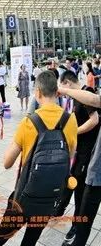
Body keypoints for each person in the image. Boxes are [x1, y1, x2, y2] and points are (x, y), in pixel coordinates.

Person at [0, 71, 78, 245]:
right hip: (50, 197)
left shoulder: (29, 122)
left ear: (37, 93)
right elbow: (70, 156)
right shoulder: (70, 121)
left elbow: (7, 163)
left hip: (24, 196)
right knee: (30, 241)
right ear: (57, 92)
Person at [56, 70, 99, 244]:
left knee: (81, 193)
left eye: (62, 86)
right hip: (79, 152)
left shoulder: (86, 93)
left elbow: (94, 120)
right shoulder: (77, 97)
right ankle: (62, 211)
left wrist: (73, 132)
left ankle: (76, 226)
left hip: (87, 153)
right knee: (73, 185)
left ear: (67, 83)